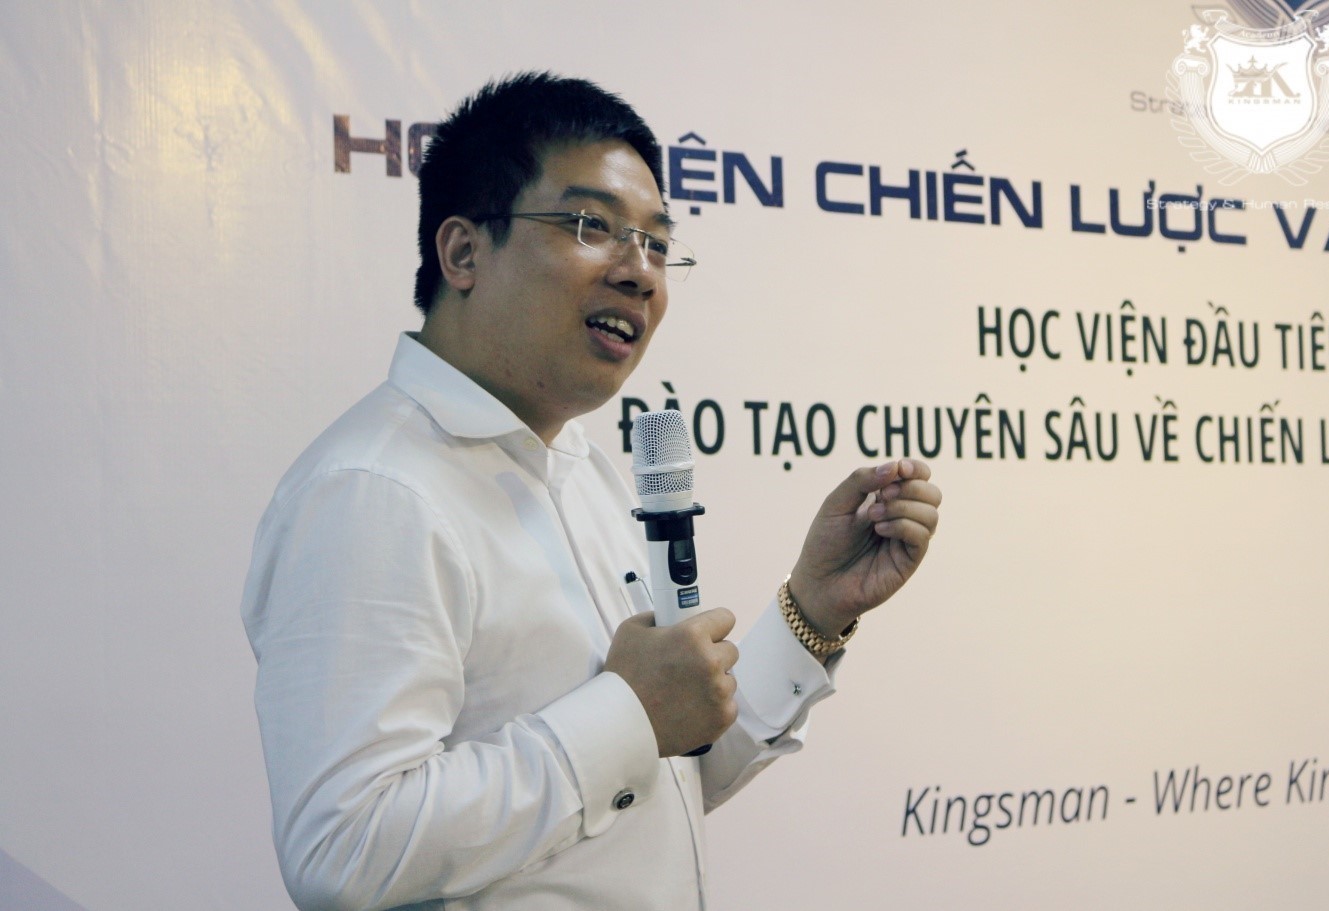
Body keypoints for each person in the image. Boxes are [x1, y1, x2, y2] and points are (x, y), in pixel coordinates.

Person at [241, 72, 941, 911]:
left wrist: (813, 609)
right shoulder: (375, 490)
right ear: (463, 253)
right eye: (591, 226)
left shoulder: (579, 467)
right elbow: (343, 848)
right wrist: (627, 713)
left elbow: (663, 776)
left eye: (657, 243)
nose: (640, 273)